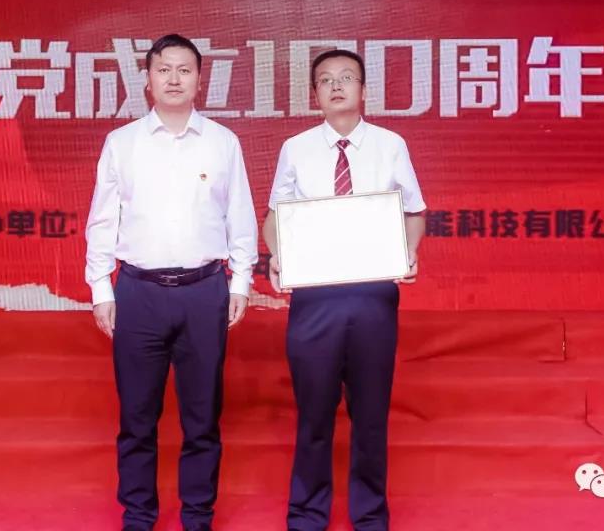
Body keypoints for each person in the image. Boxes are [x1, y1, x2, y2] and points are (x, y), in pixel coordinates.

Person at [85, 34, 258, 531]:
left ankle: (197, 516)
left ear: (200, 80)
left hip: (205, 291)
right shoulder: (122, 143)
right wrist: (101, 288)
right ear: (147, 79)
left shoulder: (223, 142)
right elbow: (103, 221)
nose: (174, 79)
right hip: (138, 292)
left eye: (185, 70)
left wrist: (241, 282)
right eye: (164, 70)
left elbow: (239, 215)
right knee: (137, 418)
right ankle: (138, 516)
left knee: (202, 418)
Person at [261, 49, 426, 531]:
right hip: (315, 298)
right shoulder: (296, 148)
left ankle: (370, 515)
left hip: (373, 294)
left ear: (363, 90)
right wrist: (278, 255)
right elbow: (275, 216)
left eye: (346, 77)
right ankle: (307, 514)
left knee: (370, 414)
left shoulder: (391, 145)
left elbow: (414, 211)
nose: (336, 86)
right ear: (314, 94)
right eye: (326, 80)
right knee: (314, 413)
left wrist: (408, 252)